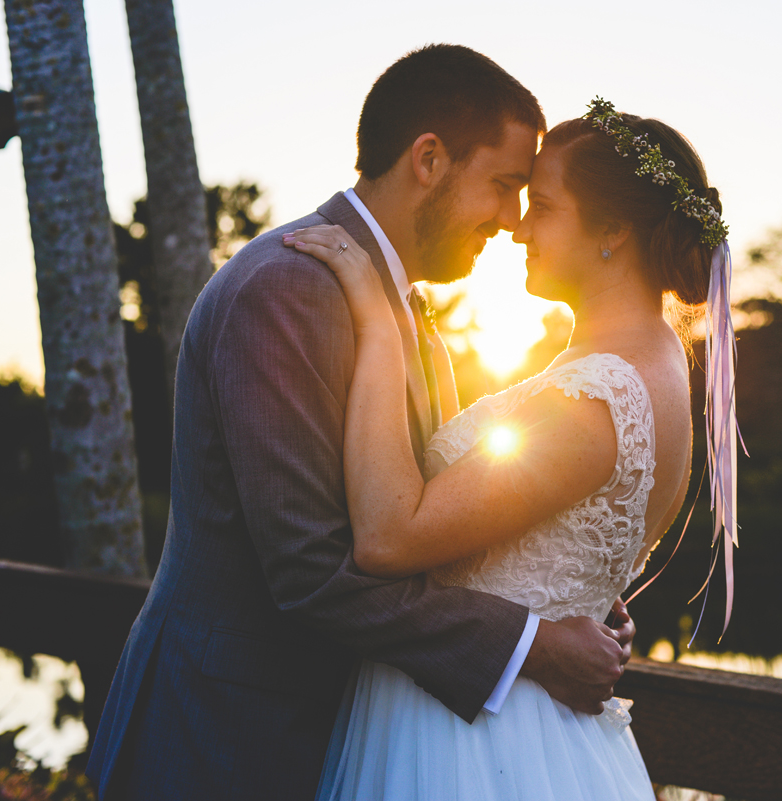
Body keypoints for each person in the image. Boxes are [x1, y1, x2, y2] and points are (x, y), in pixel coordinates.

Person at [85, 45, 635, 801]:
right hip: (226, 739)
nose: (512, 220)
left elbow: (423, 513)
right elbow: (313, 572)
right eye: (505, 185)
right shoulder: (290, 290)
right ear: (430, 159)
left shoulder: (395, 303)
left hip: (327, 732)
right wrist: (532, 643)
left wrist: (566, 596)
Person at [285, 97, 737, 799]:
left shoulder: (598, 397)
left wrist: (375, 324)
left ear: (611, 230)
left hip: (478, 733)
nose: (518, 226)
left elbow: (388, 537)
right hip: (518, 714)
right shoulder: (655, 359)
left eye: (545, 205)